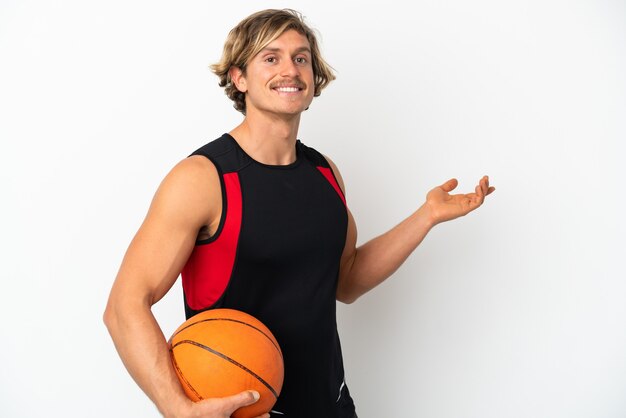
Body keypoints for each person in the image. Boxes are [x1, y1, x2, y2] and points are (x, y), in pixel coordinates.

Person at [103, 8, 495, 418]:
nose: (289, 70)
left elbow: (348, 280)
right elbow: (124, 305)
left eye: (301, 58)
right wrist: (176, 408)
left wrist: (426, 216)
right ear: (239, 78)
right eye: (270, 58)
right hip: (240, 410)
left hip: (331, 405)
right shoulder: (203, 179)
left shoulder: (324, 172)